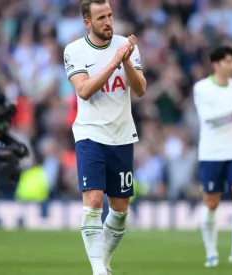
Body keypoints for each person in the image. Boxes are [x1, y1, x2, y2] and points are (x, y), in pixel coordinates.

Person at [63, 0, 147, 274]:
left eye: (109, 15)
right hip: (90, 135)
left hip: (122, 136)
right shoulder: (74, 50)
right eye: (101, 17)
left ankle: (104, 262)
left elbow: (140, 89)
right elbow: (84, 90)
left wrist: (127, 62)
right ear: (87, 22)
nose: (108, 21)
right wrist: (114, 62)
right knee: (94, 202)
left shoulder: (126, 46)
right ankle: (98, 269)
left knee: (120, 211)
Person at [193, 46, 232, 268]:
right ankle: (211, 253)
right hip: (211, 154)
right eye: (228, 62)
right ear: (216, 64)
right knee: (211, 203)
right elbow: (207, 118)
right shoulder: (202, 88)